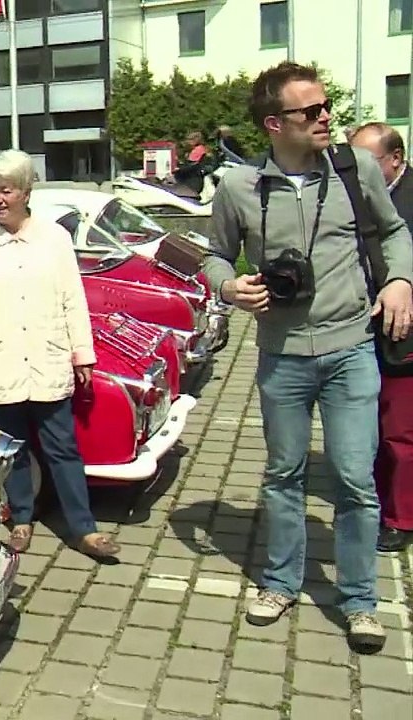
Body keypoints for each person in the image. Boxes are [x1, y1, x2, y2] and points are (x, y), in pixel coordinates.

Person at [203, 62, 413, 653]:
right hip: (282, 356)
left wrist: (400, 282)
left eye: (327, 108)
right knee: (283, 475)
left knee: (355, 480)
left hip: (352, 349)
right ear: (275, 124)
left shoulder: (356, 168)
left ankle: (360, 601)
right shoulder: (238, 187)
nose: (326, 118)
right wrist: (230, 287)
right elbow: (216, 257)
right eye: (311, 111)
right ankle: (280, 582)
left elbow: (395, 231)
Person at [0, 149, 121, 561]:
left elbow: (72, 301)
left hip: (47, 359)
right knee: (14, 448)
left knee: (62, 446)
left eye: (5, 190)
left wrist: (83, 355)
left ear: (26, 192)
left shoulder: (55, 239)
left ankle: (84, 529)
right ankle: (21, 517)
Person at [349, 122, 413, 554]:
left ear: (395, 160)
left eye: (367, 162)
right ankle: (371, 499)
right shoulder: (352, 194)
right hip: (359, 327)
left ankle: (401, 517)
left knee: (401, 433)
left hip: (403, 332)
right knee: (368, 426)